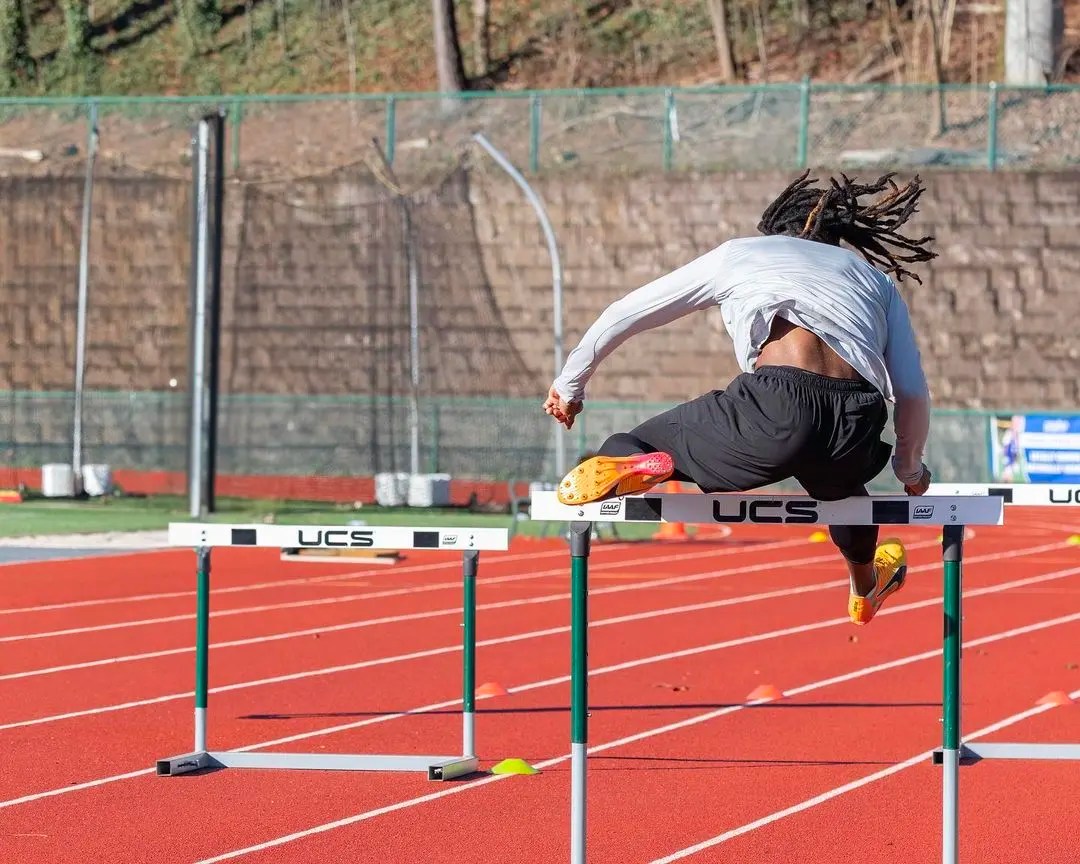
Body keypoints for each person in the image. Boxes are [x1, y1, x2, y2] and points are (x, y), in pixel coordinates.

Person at [542, 171, 935, 626]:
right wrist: (910, 468)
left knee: (632, 444)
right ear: (836, 238)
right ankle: (865, 587)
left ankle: (640, 462)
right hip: (857, 421)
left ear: (776, 228)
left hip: (777, 408)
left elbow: (626, 314)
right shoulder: (876, 281)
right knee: (847, 497)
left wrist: (570, 386)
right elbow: (910, 391)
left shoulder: (740, 254)